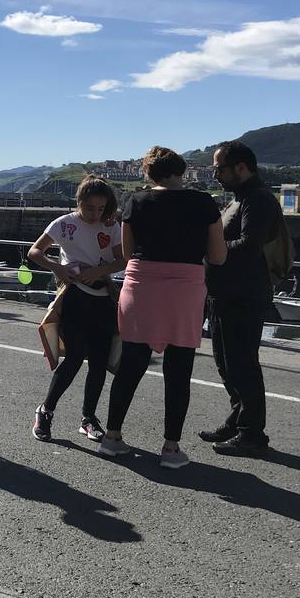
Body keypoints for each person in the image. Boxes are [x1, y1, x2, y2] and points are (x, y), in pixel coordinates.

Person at [99, 147, 226, 467]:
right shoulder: (204, 203)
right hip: (185, 289)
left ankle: (112, 438)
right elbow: (218, 256)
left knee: (131, 364)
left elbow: (128, 253)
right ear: (180, 170)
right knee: (179, 370)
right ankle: (170, 448)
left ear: (149, 174)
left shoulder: (135, 202)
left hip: (141, 286)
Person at [27, 176, 125, 443]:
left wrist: (98, 272)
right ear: (79, 202)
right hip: (74, 298)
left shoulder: (111, 226)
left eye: (101, 208)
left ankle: (88, 418)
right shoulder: (64, 224)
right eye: (90, 208)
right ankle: (45, 411)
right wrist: (59, 268)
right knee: (73, 359)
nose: (96, 214)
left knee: (98, 363)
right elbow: (35, 252)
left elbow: (122, 260)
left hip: (103, 299)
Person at [199, 140, 281, 458]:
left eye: (219, 168)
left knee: (243, 364)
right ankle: (237, 420)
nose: (215, 174)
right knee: (226, 363)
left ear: (241, 168)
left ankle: (252, 432)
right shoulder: (240, 198)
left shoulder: (257, 199)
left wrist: (210, 250)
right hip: (225, 293)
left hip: (244, 295)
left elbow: (249, 244)